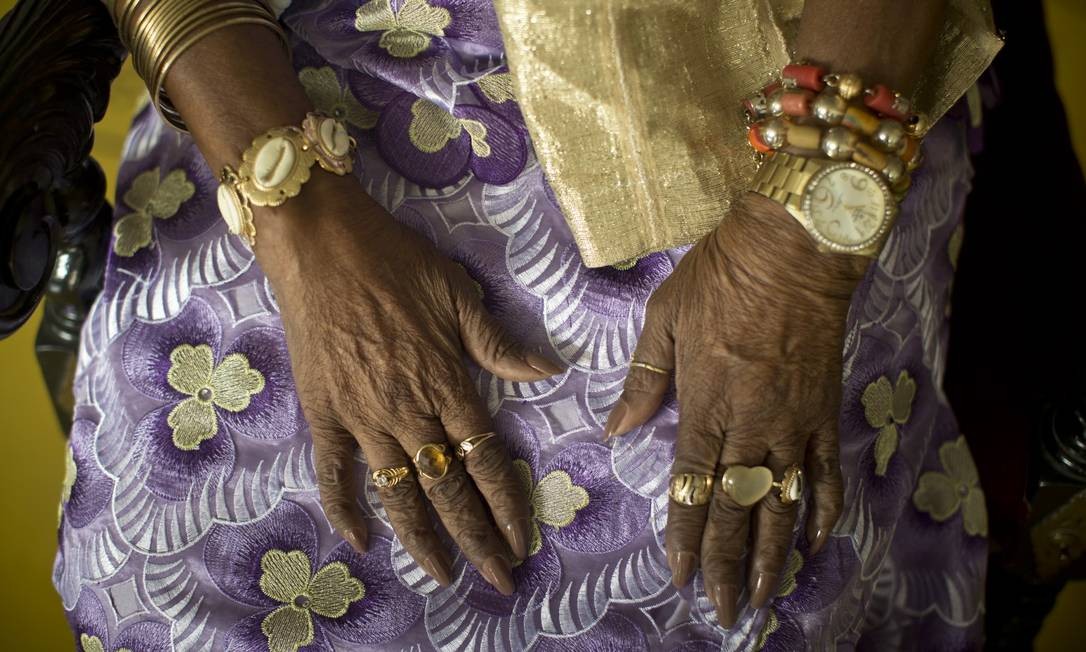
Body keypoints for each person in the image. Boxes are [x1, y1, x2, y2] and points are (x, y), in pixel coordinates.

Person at [56, 0, 1000, 649]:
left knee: (735, 576)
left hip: (791, 97)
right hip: (307, 69)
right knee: (177, 549)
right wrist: (297, 212)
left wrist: (792, 257)